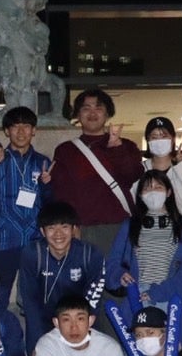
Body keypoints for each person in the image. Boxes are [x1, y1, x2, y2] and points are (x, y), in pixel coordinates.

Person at [46, 88, 142, 256]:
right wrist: (70, 225)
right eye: (86, 108)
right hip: (82, 229)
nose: (92, 113)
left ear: (107, 114)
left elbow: (132, 175)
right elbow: (61, 193)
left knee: (119, 271)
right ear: (78, 114)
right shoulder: (65, 150)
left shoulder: (125, 146)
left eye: (98, 108)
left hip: (119, 226)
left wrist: (116, 149)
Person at [0, 105, 50, 310]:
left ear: (34, 130)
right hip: (3, 240)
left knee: (35, 302)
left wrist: (47, 185)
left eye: (26, 126)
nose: (20, 132)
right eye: (15, 126)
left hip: (35, 241)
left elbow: (49, 203)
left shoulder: (43, 162)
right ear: (6, 131)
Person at [106, 170, 182, 321]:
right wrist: (120, 275)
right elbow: (112, 262)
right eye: (147, 188)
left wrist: (158, 293)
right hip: (136, 298)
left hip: (169, 297)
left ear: (169, 192)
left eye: (158, 187)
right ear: (140, 195)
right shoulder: (129, 225)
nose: (153, 192)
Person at [19, 201, 105, 348]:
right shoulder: (32, 254)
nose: (58, 234)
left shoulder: (90, 254)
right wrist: (37, 346)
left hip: (79, 320)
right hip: (44, 320)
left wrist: (78, 329)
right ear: (42, 232)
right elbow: (30, 302)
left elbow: (93, 300)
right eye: (51, 228)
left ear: (74, 229)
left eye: (64, 227)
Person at [140, 116, 182, 221]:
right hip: (147, 225)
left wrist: (181, 166)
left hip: (179, 224)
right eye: (154, 137)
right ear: (148, 140)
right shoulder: (140, 169)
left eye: (164, 136)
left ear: (173, 139)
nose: (159, 141)